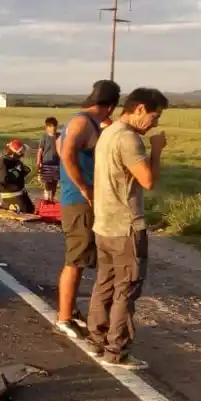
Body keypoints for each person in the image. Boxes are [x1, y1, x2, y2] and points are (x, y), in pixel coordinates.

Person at [86, 88, 169, 369]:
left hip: (104, 224)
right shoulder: (129, 139)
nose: (155, 123)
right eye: (155, 116)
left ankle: (96, 340)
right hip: (126, 227)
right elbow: (147, 181)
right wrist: (157, 151)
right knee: (126, 289)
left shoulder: (107, 132)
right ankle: (116, 351)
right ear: (141, 109)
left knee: (104, 284)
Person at [55, 79, 121, 339]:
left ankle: (69, 312)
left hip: (83, 202)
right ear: (111, 105)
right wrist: (83, 186)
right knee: (76, 261)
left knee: (82, 260)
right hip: (79, 202)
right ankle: (63, 318)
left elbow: (62, 146)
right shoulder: (83, 123)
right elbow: (67, 153)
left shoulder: (87, 122)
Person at [0, 139, 35, 214]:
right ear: (15, 153)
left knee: (31, 209)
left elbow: (23, 171)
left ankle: (8, 203)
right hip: (10, 192)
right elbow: (4, 180)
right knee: (24, 211)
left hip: (18, 192)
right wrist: (17, 171)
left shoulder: (15, 161)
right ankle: (5, 204)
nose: (23, 154)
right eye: (21, 152)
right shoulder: (3, 161)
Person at [36, 117, 61, 202]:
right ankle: (46, 199)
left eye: (55, 127)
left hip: (57, 163)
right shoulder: (44, 137)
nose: (53, 128)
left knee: (55, 182)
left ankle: (52, 199)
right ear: (46, 127)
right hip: (47, 163)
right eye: (50, 126)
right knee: (48, 183)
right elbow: (40, 150)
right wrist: (38, 161)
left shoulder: (59, 136)